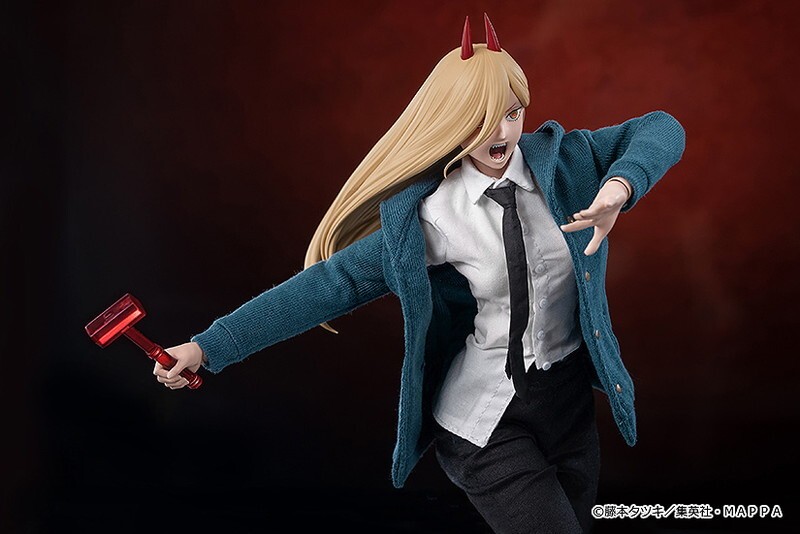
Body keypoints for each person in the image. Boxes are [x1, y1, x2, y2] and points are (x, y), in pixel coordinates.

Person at [154, 14, 686, 533]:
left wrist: (620, 187)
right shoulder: (434, 216)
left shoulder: (569, 163)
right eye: (480, 118)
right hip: (486, 421)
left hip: (568, 410)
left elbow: (663, 128)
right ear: (453, 122)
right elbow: (333, 284)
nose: (501, 132)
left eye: (512, 112)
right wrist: (208, 348)